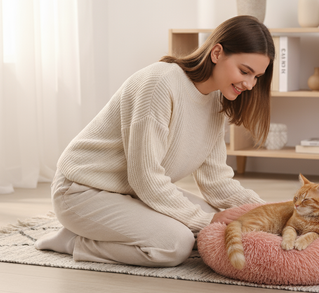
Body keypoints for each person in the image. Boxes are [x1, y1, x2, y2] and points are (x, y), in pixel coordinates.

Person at [35, 15, 275, 267]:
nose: (249, 84)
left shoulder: (216, 103)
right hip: (81, 191)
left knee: (216, 225)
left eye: (257, 76)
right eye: (245, 71)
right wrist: (206, 221)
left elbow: (216, 181)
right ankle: (74, 241)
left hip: (131, 193)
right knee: (176, 244)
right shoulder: (161, 83)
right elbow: (145, 177)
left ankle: (113, 231)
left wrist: (270, 212)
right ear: (217, 53)